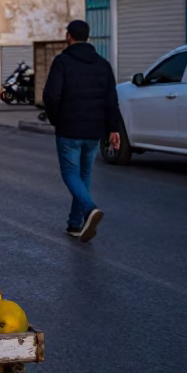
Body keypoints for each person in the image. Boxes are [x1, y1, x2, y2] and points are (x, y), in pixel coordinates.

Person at [43, 19, 121, 240]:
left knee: (70, 174)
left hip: (69, 129)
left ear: (69, 36)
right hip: (94, 131)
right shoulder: (103, 65)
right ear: (88, 37)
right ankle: (75, 224)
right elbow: (111, 99)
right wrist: (113, 128)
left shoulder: (63, 62)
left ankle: (88, 209)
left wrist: (57, 120)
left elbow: (51, 96)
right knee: (84, 175)